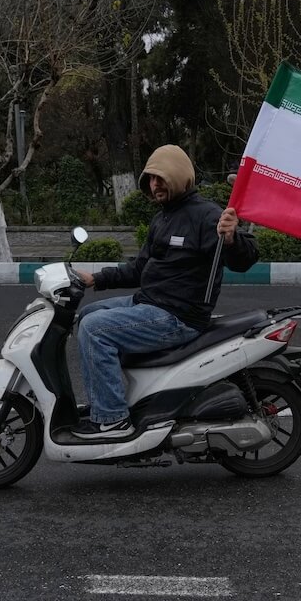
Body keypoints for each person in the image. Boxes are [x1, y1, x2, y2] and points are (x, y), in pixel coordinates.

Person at [71, 145, 259, 440]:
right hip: (151, 303)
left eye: (161, 178)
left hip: (178, 316)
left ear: (179, 176)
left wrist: (232, 238)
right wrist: (95, 278)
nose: (154, 185)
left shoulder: (207, 216)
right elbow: (139, 269)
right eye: (150, 179)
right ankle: (118, 398)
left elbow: (245, 260)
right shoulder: (163, 218)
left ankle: (112, 420)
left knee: (95, 330)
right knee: (86, 316)